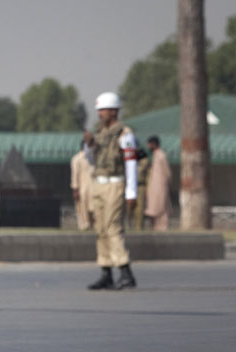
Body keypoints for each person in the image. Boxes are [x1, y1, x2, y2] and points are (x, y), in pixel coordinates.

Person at [84, 92, 137, 290]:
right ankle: (106, 271)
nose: (100, 114)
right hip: (99, 183)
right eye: (99, 111)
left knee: (113, 228)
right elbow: (91, 160)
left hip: (115, 184)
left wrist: (131, 193)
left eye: (103, 110)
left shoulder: (126, 134)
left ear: (113, 111)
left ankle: (125, 272)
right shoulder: (100, 134)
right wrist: (89, 145)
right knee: (100, 229)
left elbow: (131, 164)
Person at [145, 135, 172, 231]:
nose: (148, 146)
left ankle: (162, 227)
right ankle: (155, 227)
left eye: (150, 144)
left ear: (154, 144)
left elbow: (167, 172)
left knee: (162, 206)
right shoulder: (154, 155)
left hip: (161, 185)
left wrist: (166, 184)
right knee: (153, 207)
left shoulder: (161, 155)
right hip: (153, 186)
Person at [70, 142, 94, 230]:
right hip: (82, 189)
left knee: (94, 210)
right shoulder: (77, 159)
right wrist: (75, 189)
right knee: (82, 210)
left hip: (94, 188)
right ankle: (84, 227)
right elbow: (74, 175)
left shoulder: (95, 158)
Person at [132, 148, 150, 230]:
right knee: (131, 209)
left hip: (140, 186)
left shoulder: (144, 160)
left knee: (139, 208)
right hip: (131, 187)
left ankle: (139, 227)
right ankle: (131, 226)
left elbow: (147, 176)